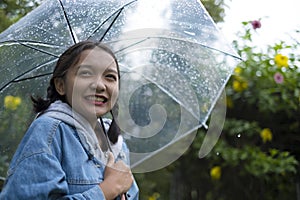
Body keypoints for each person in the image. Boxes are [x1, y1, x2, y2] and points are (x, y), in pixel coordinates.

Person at [0, 41, 139, 200]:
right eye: (86, 73)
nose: (100, 85)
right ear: (61, 85)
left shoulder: (117, 144)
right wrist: (106, 191)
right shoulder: (50, 131)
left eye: (110, 77)